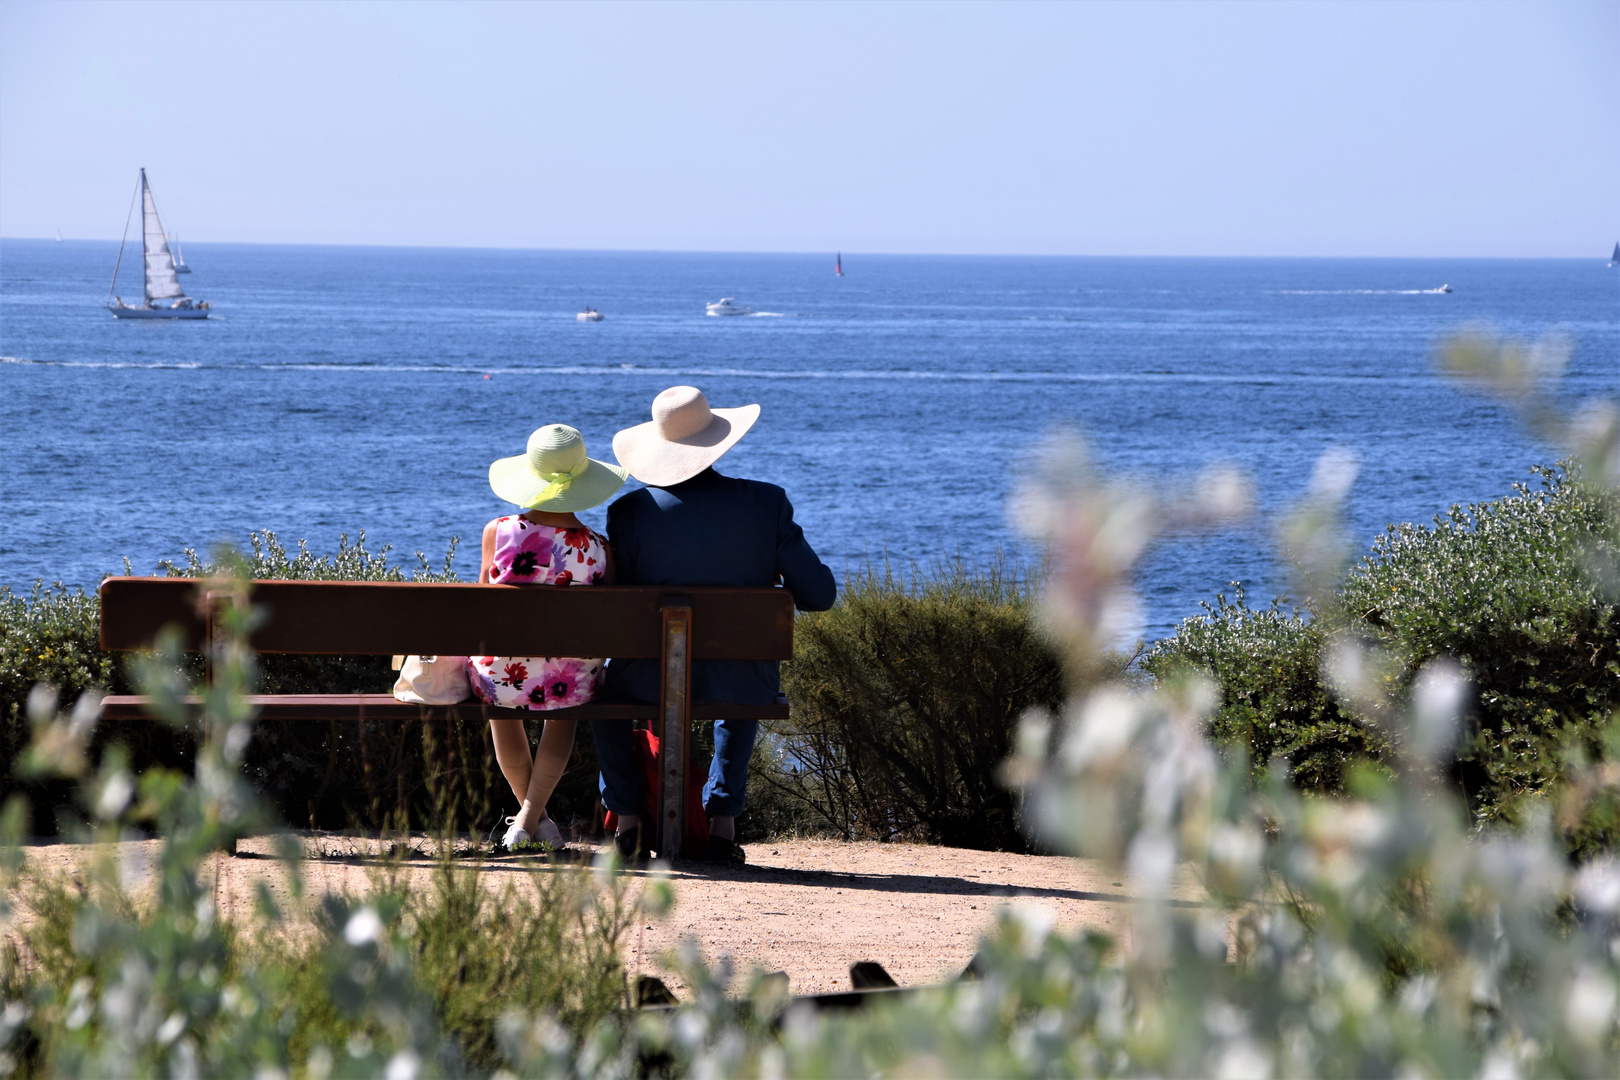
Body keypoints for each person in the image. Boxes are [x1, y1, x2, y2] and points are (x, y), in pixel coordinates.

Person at [595, 385, 836, 862]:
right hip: (741, 681)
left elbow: (615, 597)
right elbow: (820, 595)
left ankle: (627, 822)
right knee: (742, 675)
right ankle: (722, 826)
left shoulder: (628, 512)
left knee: (606, 697)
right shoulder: (767, 504)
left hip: (645, 681)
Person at [473, 423, 628, 851]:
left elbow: (483, 606)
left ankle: (530, 819)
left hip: (502, 674)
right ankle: (530, 819)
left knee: (500, 701)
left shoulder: (498, 532)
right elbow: (609, 619)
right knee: (567, 699)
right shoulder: (600, 548)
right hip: (569, 678)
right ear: (582, 482)